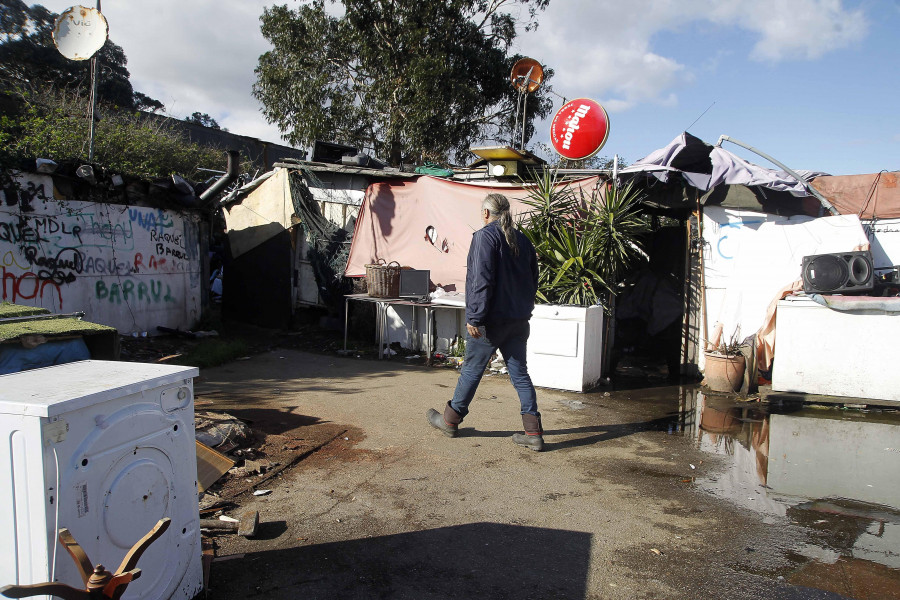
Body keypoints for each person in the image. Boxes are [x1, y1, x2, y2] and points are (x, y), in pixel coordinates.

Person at [426, 193, 544, 451]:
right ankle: (533, 432)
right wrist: (524, 310)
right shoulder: (522, 240)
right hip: (518, 320)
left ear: (487, 214)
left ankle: (450, 420)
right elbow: (533, 280)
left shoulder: (485, 237)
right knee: (520, 374)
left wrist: (475, 317)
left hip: (491, 321)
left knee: (472, 369)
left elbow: (481, 279)